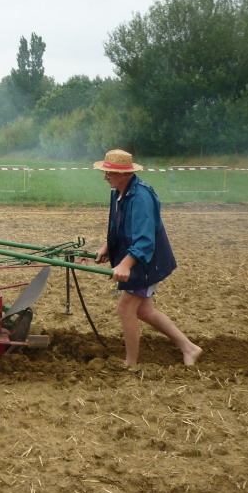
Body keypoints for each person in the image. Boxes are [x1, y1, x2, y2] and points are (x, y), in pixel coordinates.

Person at [93, 149, 202, 366]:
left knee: (125, 309)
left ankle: (130, 364)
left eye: (110, 173)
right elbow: (119, 224)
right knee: (144, 310)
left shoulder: (141, 197)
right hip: (137, 259)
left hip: (146, 262)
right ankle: (189, 348)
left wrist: (125, 264)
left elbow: (145, 241)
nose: (105, 177)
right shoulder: (119, 192)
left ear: (125, 174)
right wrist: (108, 246)